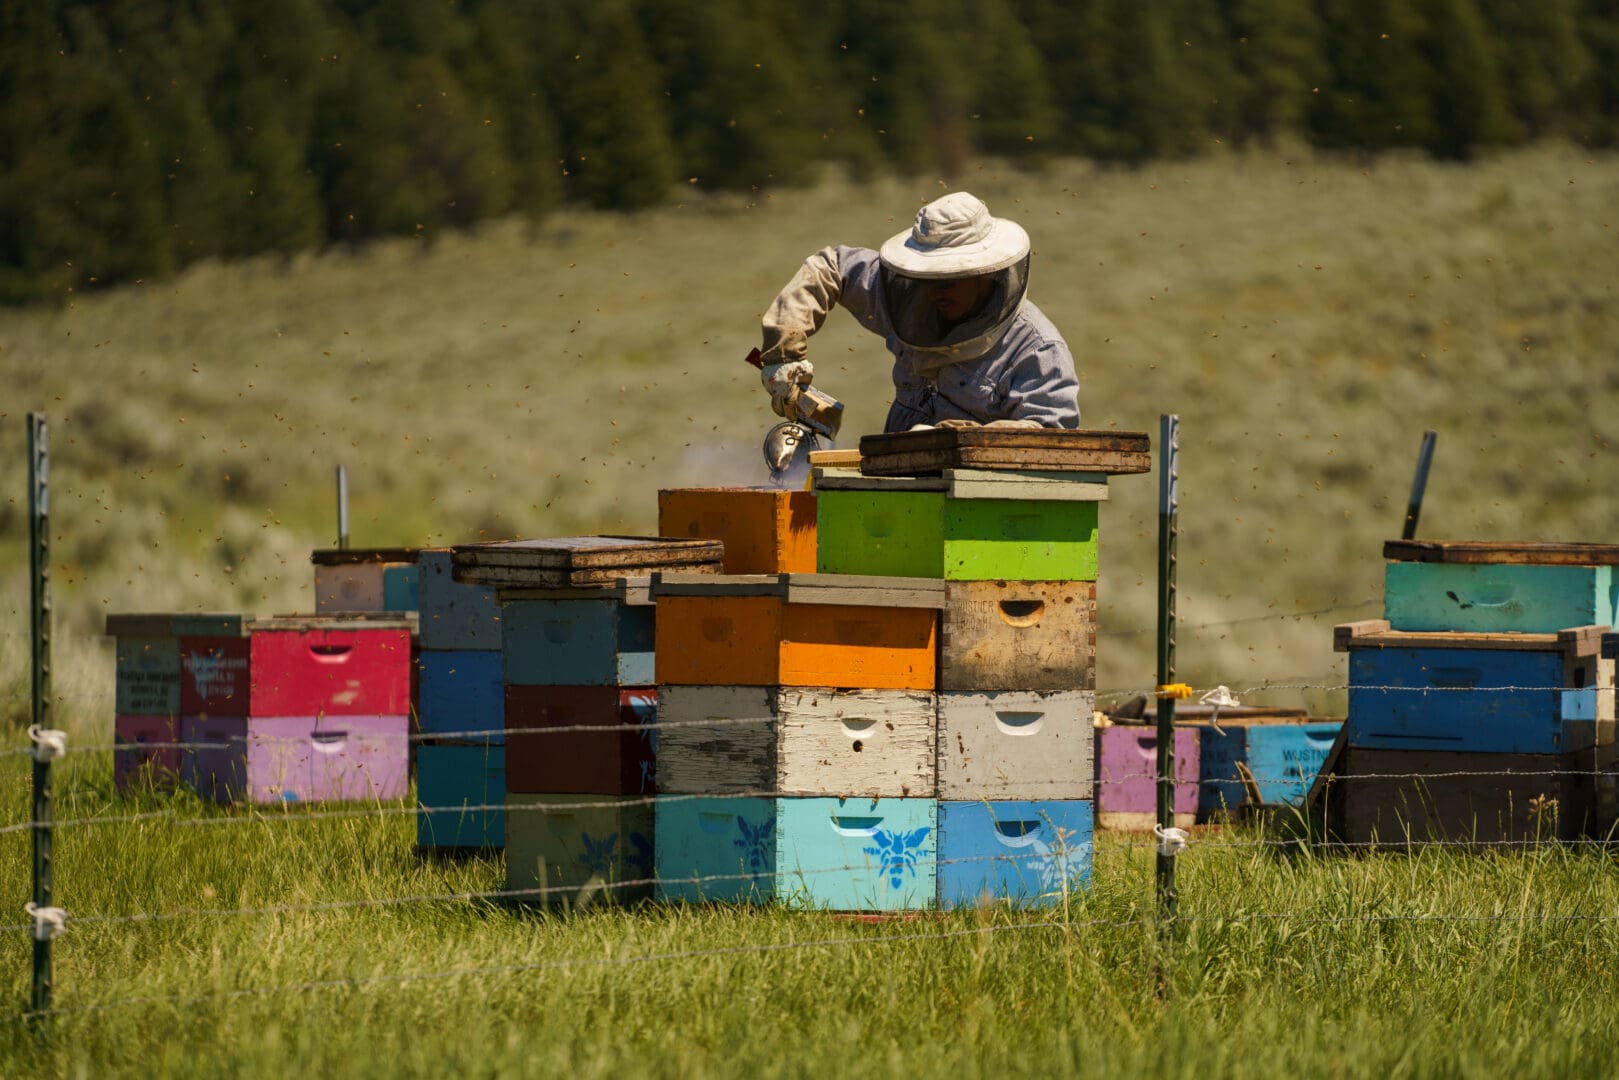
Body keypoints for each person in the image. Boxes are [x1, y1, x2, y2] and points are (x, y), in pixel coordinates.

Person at [756, 191, 1080, 433]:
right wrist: (782, 353)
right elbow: (831, 267)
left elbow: (1050, 438)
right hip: (899, 483)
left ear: (984, 274)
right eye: (926, 277)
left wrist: (967, 441)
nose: (934, 292)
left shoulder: (1036, 349)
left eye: (949, 280)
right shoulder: (908, 295)